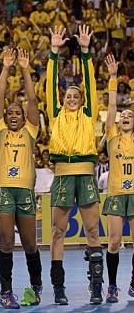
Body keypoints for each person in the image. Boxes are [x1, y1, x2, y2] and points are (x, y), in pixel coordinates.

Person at [47, 25, 103, 305]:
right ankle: (58, 288)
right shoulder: (55, 115)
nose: (71, 98)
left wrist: (84, 51)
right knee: (58, 232)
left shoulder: (88, 114)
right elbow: (49, 86)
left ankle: (96, 287)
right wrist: (54, 52)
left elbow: (91, 84)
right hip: (62, 176)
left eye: (76, 96)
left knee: (93, 231)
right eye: (67, 95)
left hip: (85, 175)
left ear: (81, 101)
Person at [0, 48, 42, 308]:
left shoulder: (30, 132)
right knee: (7, 242)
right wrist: (6, 68)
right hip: (2, 190)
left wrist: (24, 68)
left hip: (25, 191)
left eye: (16, 113)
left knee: (31, 244)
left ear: (23, 118)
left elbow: (32, 101)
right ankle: (6, 291)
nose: (12, 115)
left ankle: (36, 287)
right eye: (9, 113)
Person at [101, 54, 134, 302]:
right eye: (124, 115)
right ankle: (112, 286)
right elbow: (112, 108)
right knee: (113, 243)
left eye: (130, 115)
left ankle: (133, 281)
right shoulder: (112, 137)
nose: (125, 116)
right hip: (115, 194)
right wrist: (113, 78)